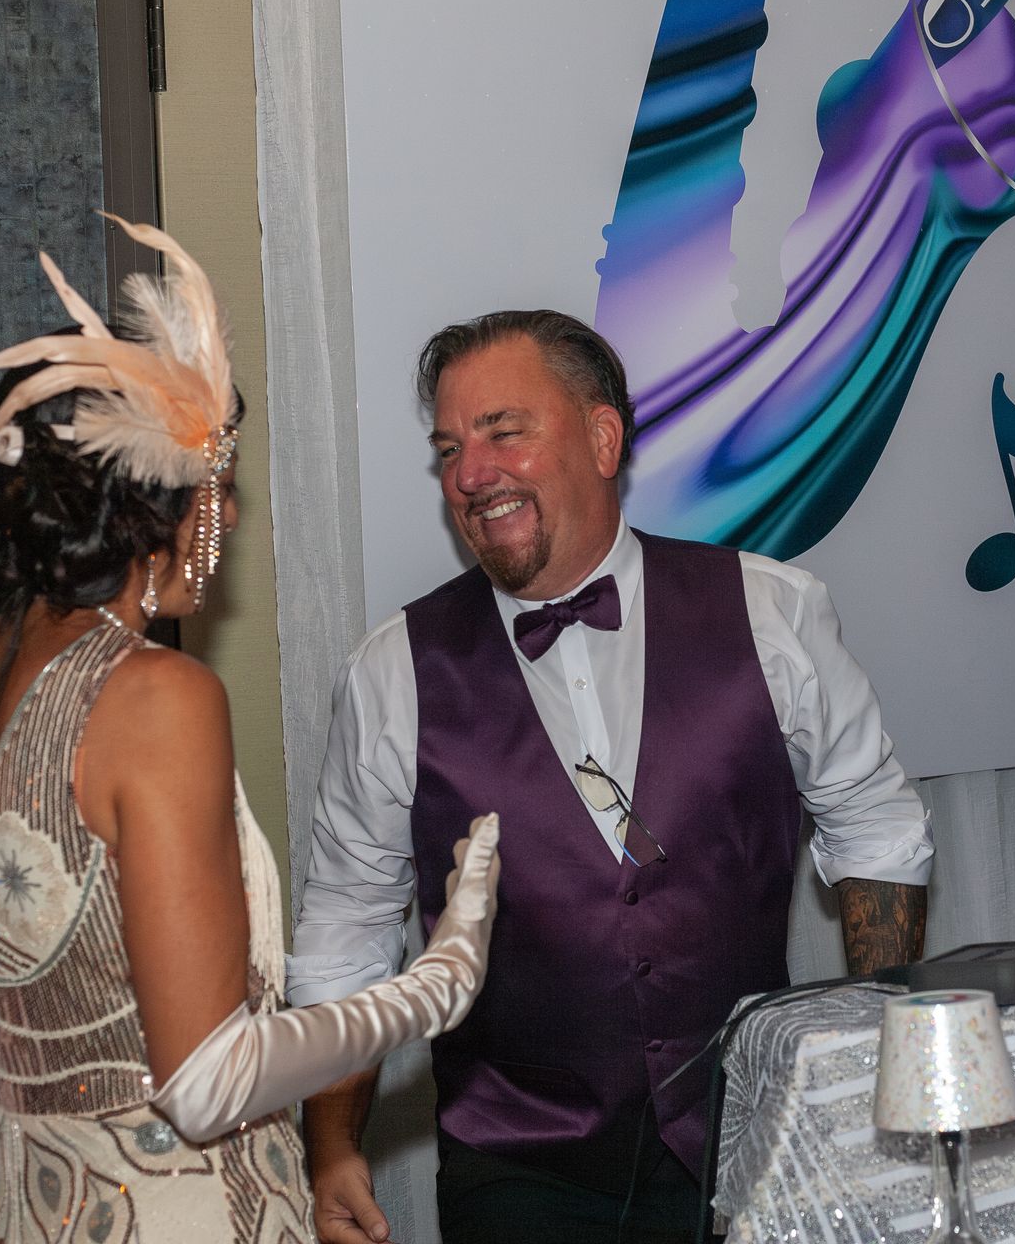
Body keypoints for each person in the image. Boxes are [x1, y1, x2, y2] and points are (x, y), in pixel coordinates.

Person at [0, 217, 500, 1242]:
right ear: (165, 505)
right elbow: (208, 1085)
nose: (233, 519)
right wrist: (434, 982)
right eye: (224, 489)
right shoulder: (160, 693)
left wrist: (72, 1019)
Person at [289, 310, 934, 1244]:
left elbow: (876, 826)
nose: (469, 474)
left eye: (503, 431)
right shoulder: (393, 671)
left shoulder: (773, 612)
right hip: (518, 1178)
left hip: (754, 1148)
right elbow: (345, 930)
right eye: (449, 448)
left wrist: (894, 1057)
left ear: (602, 437)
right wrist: (332, 1145)